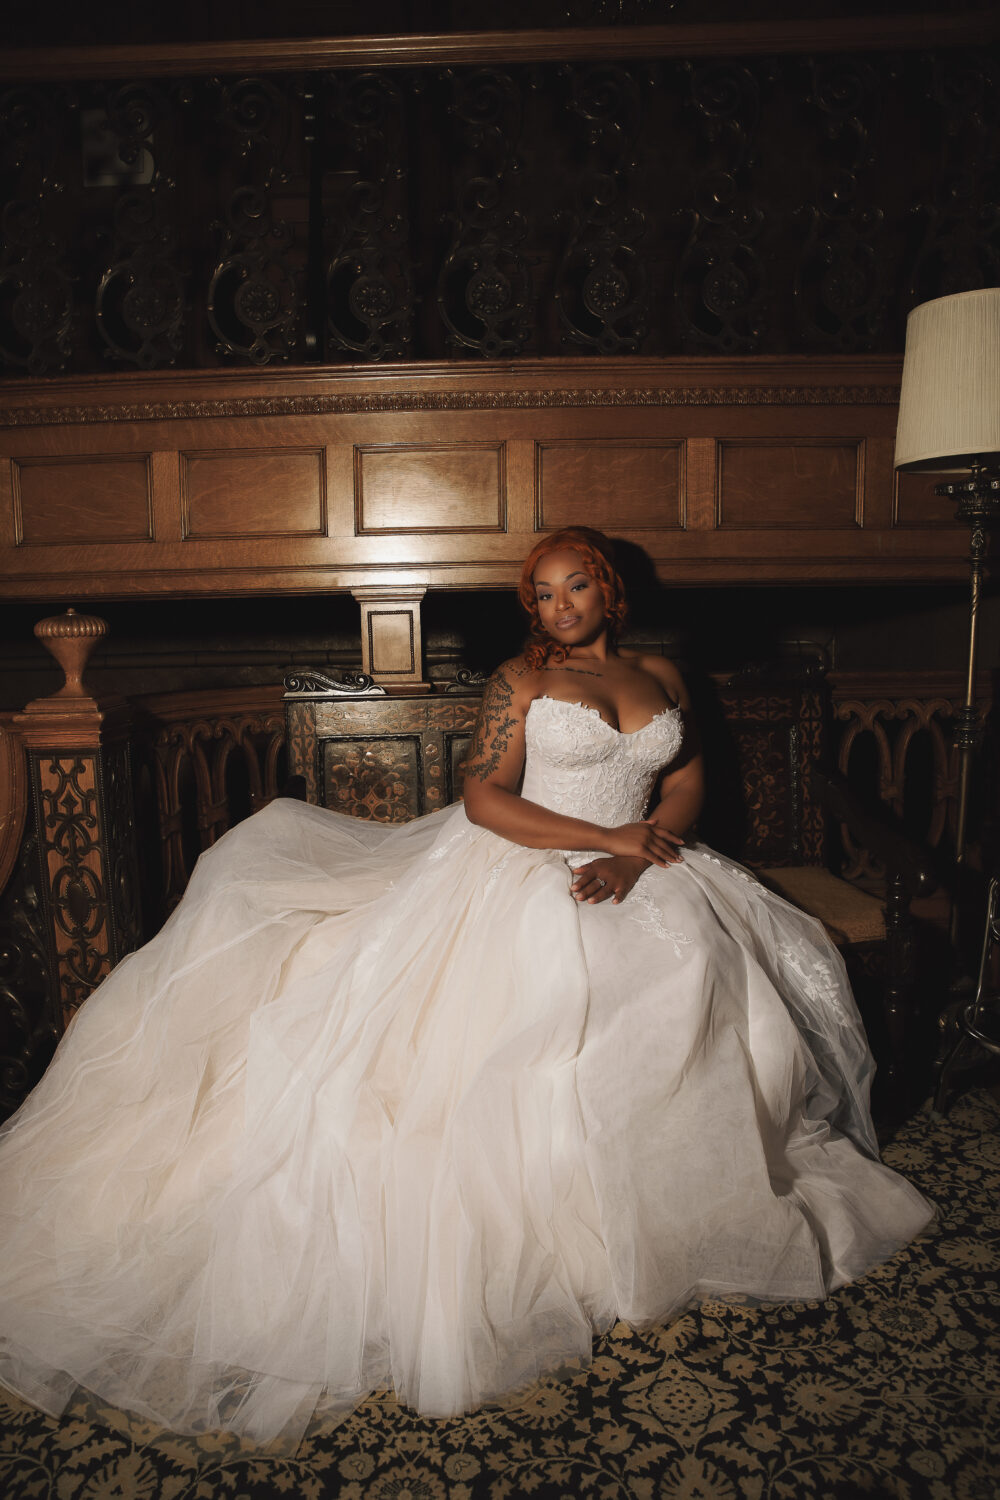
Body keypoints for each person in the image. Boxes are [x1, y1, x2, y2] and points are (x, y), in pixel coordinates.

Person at [0, 526, 932, 1447]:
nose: (560, 607)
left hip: (644, 862)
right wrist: (602, 843)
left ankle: (670, 1198)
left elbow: (684, 782)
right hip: (527, 861)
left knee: (699, 974)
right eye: (543, 594)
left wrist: (637, 855)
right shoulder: (521, 680)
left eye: (575, 587)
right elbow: (485, 799)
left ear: (609, 590)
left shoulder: (663, 674)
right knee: (546, 997)